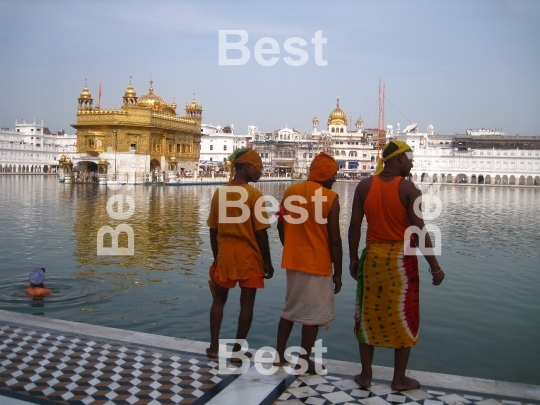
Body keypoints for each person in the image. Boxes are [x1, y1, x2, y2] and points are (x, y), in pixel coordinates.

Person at [348, 140, 445, 391]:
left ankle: (366, 375)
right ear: (399, 159)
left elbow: (355, 226)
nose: (412, 162)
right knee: (405, 314)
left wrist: (353, 258)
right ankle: (399, 379)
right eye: (409, 157)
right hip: (402, 261)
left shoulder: (364, 186)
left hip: (373, 260)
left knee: (368, 316)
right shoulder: (409, 189)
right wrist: (434, 265)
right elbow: (418, 230)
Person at [274, 152, 342, 373]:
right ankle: (304, 361)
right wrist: (338, 271)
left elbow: (279, 225)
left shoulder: (290, 192)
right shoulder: (330, 198)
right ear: (324, 175)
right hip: (317, 263)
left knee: (290, 309)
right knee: (311, 315)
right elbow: (334, 240)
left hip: (293, 261)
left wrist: (290, 246)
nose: (335, 180)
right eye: (333, 175)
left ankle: (280, 356)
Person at [206, 148, 274, 360]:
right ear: (247, 167)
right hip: (249, 255)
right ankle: (237, 351)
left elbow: (213, 229)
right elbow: (260, 232)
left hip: (226, 253)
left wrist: (217, 256)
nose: (260, 173)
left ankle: (214, 347)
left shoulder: (220, 193)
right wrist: (268, 262)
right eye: (258, 169)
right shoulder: (254, 195)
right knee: (247, 303)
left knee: (219, 299)